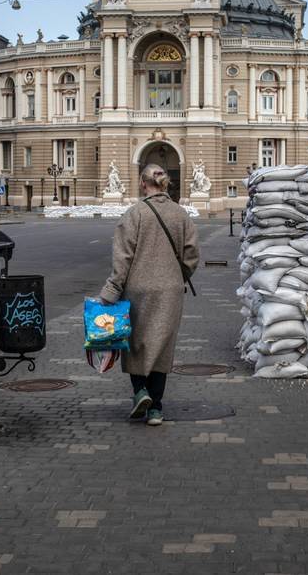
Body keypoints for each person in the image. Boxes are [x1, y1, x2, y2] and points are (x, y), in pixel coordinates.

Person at [98, 164, 199, 426]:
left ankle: (140, 392)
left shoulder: (134, 214)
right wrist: (178, 275)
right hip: (170, 290)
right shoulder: (181, 215)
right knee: (162, 346)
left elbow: (122, 258)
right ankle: (156, 409)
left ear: (143, 184)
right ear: (164, 184)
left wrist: (111, 291)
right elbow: (191, 255)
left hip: (137, 288)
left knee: (135, 343)